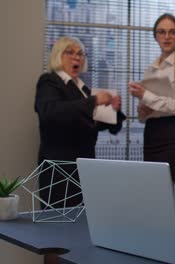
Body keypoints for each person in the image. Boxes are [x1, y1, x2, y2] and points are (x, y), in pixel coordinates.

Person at [35, 36, 126, 209]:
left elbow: (97, 123)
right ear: (58, 55)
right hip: (59, 170)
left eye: (80, 54)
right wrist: (93, 101)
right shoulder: (49, 81)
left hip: (84, 169)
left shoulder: (83, 88)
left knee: (83, 225)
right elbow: (50, 112)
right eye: (70, 52)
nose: (77, 57)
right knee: (58, 226)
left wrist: (114, 110)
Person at [128, 13, 175, 213]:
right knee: (153, 207)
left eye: (172, 32)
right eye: (161, 32)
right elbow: (147, 115)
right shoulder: (151, 70)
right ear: (156, 36)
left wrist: (147, 96)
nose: (167, 36)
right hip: (152, 137)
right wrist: (143, 110)